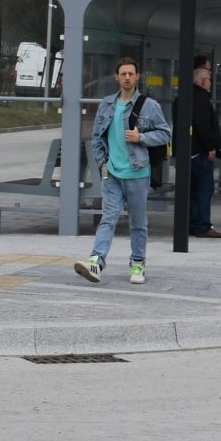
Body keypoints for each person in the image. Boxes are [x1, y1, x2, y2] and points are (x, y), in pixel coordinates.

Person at [76, 56, 171, 285]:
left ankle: (138, 264)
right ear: (116, 77)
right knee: (107, 218)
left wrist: (142, 137)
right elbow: (97, 137)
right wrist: (102, 163)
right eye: (123, 74)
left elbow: (166, 134)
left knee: (138, 222)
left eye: (131, 73)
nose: (127, 78)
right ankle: (96, 262)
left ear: (137, 77)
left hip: (138, 173)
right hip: (112, 174)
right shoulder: (107, 104)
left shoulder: (149, 105)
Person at [186, 56, 221, 240]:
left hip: (189, 151)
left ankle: (191, 224)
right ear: (203, 81)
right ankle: (202, 225)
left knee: (192, 190)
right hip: (200, 152)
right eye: (209, 79)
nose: (211, 82)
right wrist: (211, 147)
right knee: (203, 189)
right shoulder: (201, 99)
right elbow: (204, 126)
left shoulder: (185, 96)